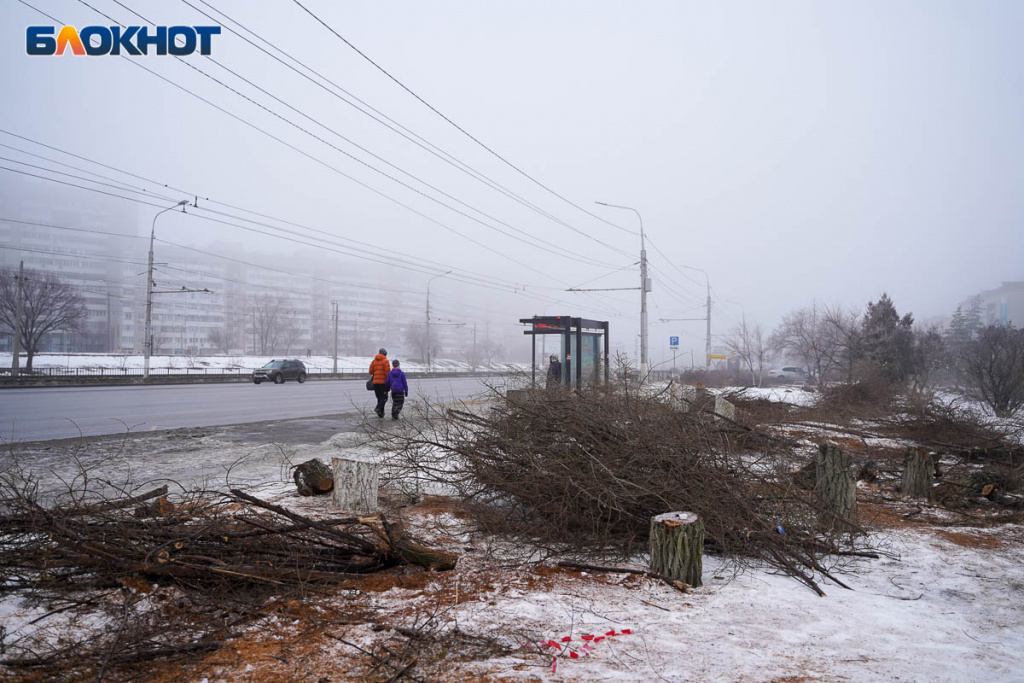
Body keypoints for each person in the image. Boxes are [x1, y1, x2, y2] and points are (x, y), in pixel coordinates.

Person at [369, 347, 391, 418]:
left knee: (379, 398)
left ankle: (381, 414)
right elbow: (387, 373)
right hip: (383, 383)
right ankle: (378, 409)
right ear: (385, 354)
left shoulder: (374, 361)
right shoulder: (385, 361)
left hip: (375, 383)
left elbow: (370, 372)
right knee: (384, 398)